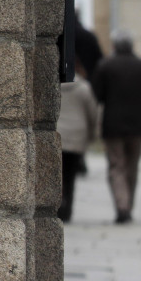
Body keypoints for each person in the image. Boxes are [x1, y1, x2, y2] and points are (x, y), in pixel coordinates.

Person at [91, 29, 141, 224]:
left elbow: (95, 97)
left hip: (112, 125)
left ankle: (122, 205)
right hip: (138, 126)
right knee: (132, 167)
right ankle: (128, 206)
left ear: (113, 45)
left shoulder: (105, 66)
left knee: (116, 166)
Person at [56, 74, 98, 222]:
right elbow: (93, 112)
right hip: (77, 136)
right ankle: (68, 210)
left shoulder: (54, 86)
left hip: (58, 133)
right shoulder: (84, 88)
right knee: (70, 176)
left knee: (56, 175)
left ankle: (57, 206)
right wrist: (92, 134)